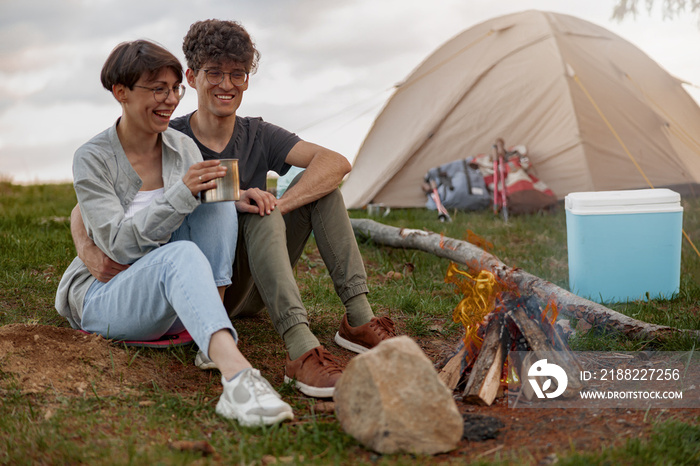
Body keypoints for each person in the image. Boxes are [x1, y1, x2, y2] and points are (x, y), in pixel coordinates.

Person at [73, 20, 397, 399]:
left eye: (237, 74)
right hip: (192, 274)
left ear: (246, 80)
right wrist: (87, 248)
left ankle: (358, 318)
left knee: (312, 196)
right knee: (230, 204)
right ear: (193, 78)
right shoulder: (165, 134)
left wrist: (277, 204)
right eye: (214, 73)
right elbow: (89, 205)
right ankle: (298, 347)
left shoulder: (250, 134)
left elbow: (335, 163)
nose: (226, 84)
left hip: (253, 275)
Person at [56, 39, 293, 427]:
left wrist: (234, 197)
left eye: (174, 88)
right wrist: (183, 193)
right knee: (181, 254)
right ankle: (238, 377)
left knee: (216, 200)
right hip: (107, 296)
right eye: (157, 89)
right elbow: (118, 247)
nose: (170, 100)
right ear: (121, 92)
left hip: (167, 293)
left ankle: (208, 339)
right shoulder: (93, 157)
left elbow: (196, 206)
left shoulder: (180, 146)